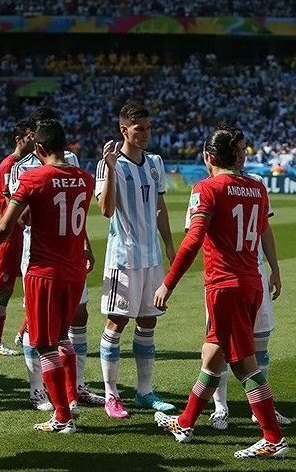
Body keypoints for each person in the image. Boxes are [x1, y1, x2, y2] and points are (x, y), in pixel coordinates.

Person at [152, 125, 289, 459]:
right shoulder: (257, 189)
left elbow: (193, 240)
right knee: (212, 357)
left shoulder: (207, 188)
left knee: (244, 366)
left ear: (209, 156)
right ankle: (184, 422)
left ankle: (273, 438)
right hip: (251, 282)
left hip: (224, 286)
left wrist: (167, 284)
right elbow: (260, 232)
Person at [0, 119, 94, 433]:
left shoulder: (33, 178)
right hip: (74, 272)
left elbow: (7, 224)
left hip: (44, 272)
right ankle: (70, 400)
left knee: (44, 344)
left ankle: (61, 417)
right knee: (62, 338)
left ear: (39, 148)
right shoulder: (84, 178)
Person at [186, 145, 291, 430]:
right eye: (238, 149)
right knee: (221, 354)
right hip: (232, 281)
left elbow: (264, 230)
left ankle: (266, 427)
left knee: (249, 351)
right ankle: (216, 411)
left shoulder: (251, 187)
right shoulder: (224, 189)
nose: (243, 154)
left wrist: (275, 268)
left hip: (238, 280)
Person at [10, 108, 104, 412]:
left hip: (71, 254)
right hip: (37, 255)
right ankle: (38, 389)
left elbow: (75, 215)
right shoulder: (21, 169)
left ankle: (73, 388)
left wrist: (85, 243)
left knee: (77, 317)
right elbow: (21, 218)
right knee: (36, 326)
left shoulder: (71, 164)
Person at [96, 102, 176, 418]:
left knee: (148, 321)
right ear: (123, 130)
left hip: (151, 257)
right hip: (123, 257)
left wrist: (170, 246)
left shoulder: (155, 162)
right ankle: (111, 395)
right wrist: (113, 169)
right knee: (117, 323)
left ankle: (144, 392)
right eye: (139, 129)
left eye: (148, 128)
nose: (145, 134)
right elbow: (105, 210)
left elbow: (160, 208)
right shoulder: (109, 165)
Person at [0, 119, 33, 357]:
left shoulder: (29, 164)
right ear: (19, 139)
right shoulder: (9, 165)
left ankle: (24, 332)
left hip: (24, 235)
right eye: (29, 136)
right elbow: (11, 205)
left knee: (33, 287)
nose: (34, 140)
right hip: (12, 236)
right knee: (4, 288)